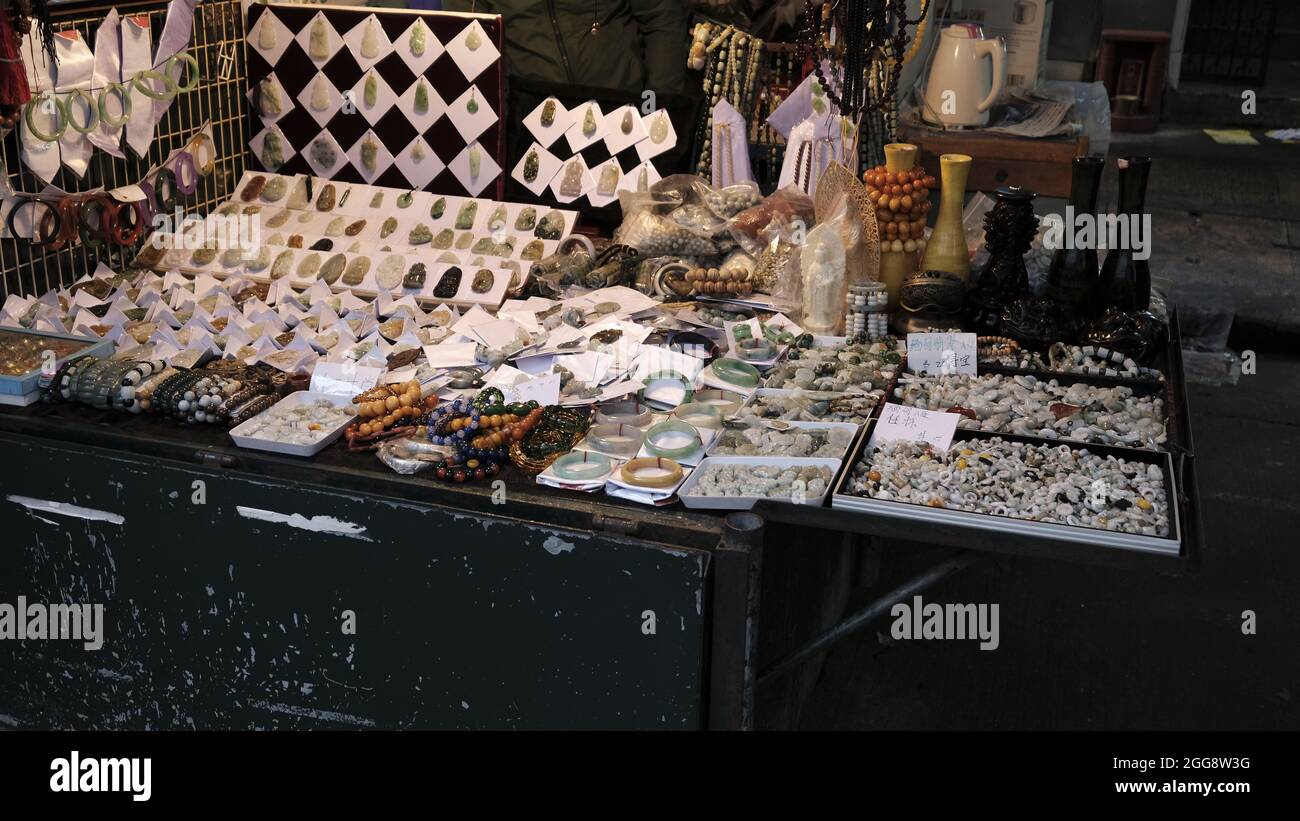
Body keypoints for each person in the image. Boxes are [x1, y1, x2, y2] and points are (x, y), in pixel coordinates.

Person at [442, 0, 687, 95]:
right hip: (532, 125)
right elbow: (468, 43)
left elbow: (662, 19)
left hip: (624, 110)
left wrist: (657, 105)